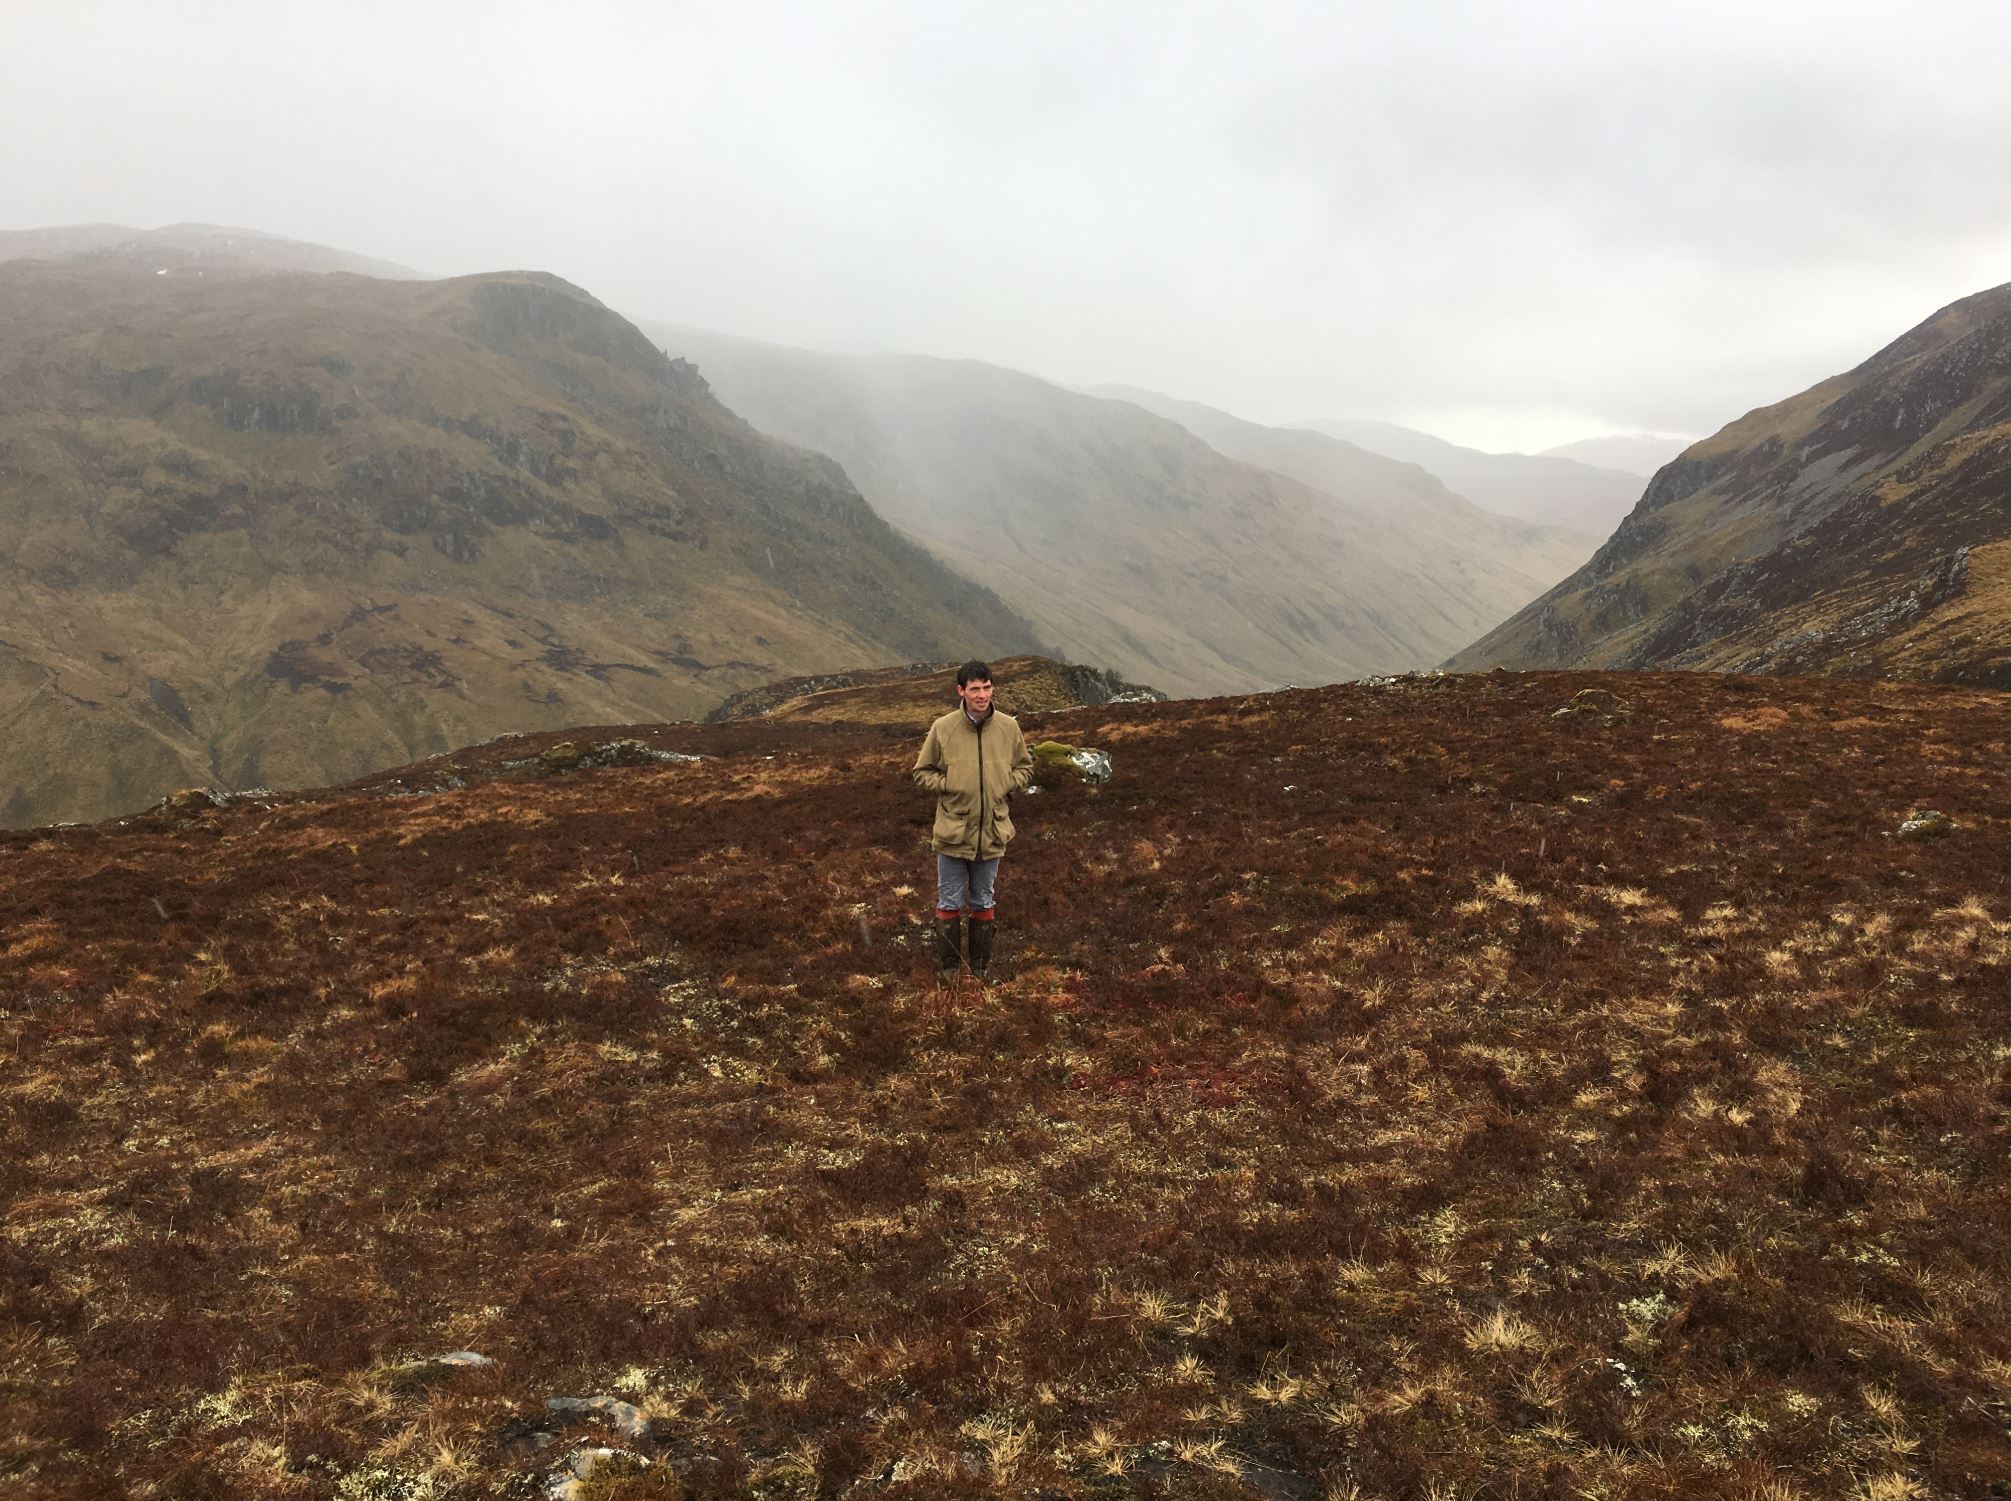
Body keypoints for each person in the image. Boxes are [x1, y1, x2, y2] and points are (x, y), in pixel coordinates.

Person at [910, 660, 1035, 980]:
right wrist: (950, 785)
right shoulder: (943, 728)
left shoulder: (1009, 727)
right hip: (953, 831)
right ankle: (950, 973)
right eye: (975, 689)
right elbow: (922, 773)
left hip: (992, 831)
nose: (982, 695)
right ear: (961, 691)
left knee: (984, 901)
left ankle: (979, 971)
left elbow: (1025, 767)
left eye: (987, 687)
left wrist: (1007, 783)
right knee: (949, 901)